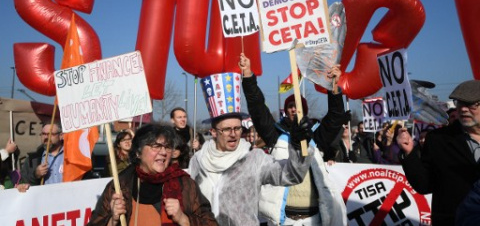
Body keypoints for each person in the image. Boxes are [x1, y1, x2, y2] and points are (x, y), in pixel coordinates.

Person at [189, 71, 314, 225]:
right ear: (213, 132)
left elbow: (292, 174)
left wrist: (298, 145)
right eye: (227, 129)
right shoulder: (198, 161)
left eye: (237, 128)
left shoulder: (254, 159)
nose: (233, 134)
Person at [239, 53, 347, 226]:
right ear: (285, 111)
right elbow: (258, 109)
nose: (294, 110)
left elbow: (335, 118)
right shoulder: (274, 135)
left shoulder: (315, 137)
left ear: (304, 111)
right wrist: (248, 76)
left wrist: (334, 88)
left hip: (314, 219)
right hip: (284, 219)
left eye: (297, 106)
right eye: (290, 106)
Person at [88, 124, 217, 226]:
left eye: (167, 147)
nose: (163, 152)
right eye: (156, 146)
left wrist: (184, 220)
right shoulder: (119, 186)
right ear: (138, 152)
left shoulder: (185, 185)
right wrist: (113, 220)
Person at [397, 80, 480, 225]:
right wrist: (409, 153)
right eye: (460, 103)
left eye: (471, 104)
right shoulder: (438, 139)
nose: (463, 109)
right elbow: (424, 184)